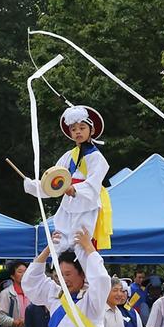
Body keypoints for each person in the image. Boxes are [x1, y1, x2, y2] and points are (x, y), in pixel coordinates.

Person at [24, 105, 112, 253]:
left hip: (86, 204)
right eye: (73, 129)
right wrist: (34, 185)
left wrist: (74, 189)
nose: (78, 131)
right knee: (61, 242)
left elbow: (93, 184)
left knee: (80, 244)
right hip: (68, 203)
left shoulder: (97, 157)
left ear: (92, 130)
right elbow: (52, 181)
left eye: (82, 128)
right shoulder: (68, 156)